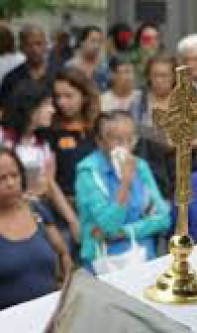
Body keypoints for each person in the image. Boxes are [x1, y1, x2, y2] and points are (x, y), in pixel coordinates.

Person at [75, 111, 171, 270]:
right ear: (100, 141)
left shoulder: (139, 166)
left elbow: (163, 219)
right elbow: (109, 226)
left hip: (143, 256)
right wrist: (125, 183)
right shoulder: (88, 172)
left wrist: (125, 232)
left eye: (131, 139)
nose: (126, 146)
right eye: (118, 140)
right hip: (105, 262)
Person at [1, 81, 80, 244]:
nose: (53, 110)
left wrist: (73, 221)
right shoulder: (3, 137)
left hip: (34, 213)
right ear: (30, 108)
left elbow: (49, 185)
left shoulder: (43, 145)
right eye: (46, 105)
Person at [0, 148, 72, 309]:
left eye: (14, 175)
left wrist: (66, 291)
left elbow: (63, 253)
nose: (10, 183)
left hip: (50, 316)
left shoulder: (36, 210)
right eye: (1, 179)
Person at [131, 54, 176, 200]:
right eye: (154, 75)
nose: (159, 80)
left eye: (164, 76)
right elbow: (131, 129)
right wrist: (160, 136)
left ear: (174, 77)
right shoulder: (138, 100)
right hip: (145, 164)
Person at [51, 67, 98, 198]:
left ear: (84, 96)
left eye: (68, 96)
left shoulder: (99, 125)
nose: (61, 102)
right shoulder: (51, 130)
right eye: (57, 96)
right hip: (66, 200)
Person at [0, 24, 58, 115]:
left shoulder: (60, 74)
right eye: (28, 45)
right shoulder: (11, 79)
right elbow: (5, 110)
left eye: (38, 43)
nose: (34, 49)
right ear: (21, 48)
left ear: (46, 45)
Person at [66, 25, 109, 92]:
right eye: (93, 41)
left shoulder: (105, 66)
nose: (97, 46)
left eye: (100, 42)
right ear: (82, 42)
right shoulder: (70, 66)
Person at [131, 22, 162, 87]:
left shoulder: (167, 65)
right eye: (147, 39)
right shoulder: (130, 67)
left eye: (156, 38)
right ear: (139, 42)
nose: (153, 43)